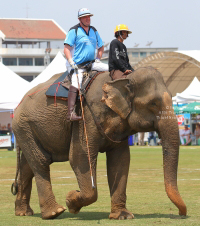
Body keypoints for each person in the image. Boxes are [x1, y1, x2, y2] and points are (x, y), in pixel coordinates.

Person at [64, 8, 108, 121]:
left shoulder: (94, 30)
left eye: (89, 16)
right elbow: (66, 49)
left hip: (90, 63)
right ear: (80, 19)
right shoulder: (74, 30)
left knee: (109, 68)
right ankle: (70, 113)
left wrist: (98, 58)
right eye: (85, 17)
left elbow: (101, 46)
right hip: (76, 65)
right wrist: (70, 61)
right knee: (76, 81)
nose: (88, 19)